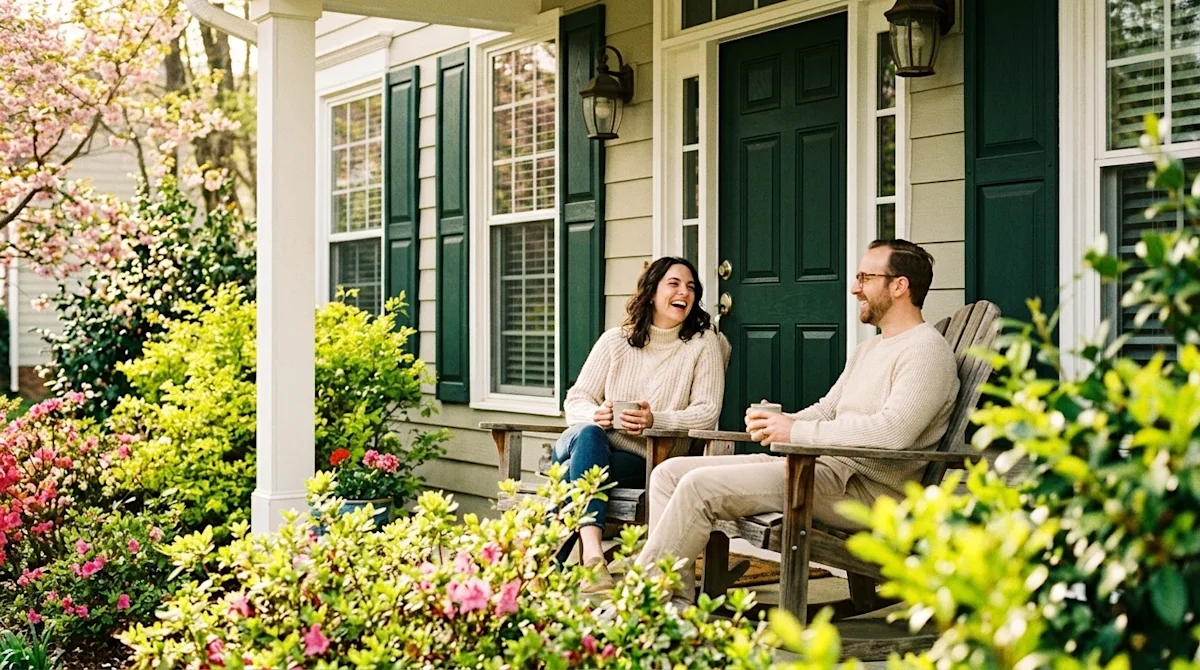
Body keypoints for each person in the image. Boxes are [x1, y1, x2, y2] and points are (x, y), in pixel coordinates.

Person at [632, 239, 959, 602]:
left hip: (862, 491)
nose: (854, 288)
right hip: (818, 470)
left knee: (698, 487)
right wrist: (782, 421)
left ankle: (646, 603)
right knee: (668, 474)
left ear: (900, 286)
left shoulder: (927, 351)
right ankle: (672, 602)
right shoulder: (871, 348)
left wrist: (797, 431)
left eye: (865, 277)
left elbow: (893, 431)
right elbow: (826, 409)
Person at [556, 256, 726, 593]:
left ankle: (553, 561)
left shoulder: (702, 343)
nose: (685, 293)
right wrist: (596, 415)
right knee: (588, 434)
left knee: (566, 475)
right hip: (592, 443)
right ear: (651, 293)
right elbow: (575, 400)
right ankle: (593, 556)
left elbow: (707, 412)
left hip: (643, 461)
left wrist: (655, 420)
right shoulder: (614, 342)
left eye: (691, 287)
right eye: (674, 284)